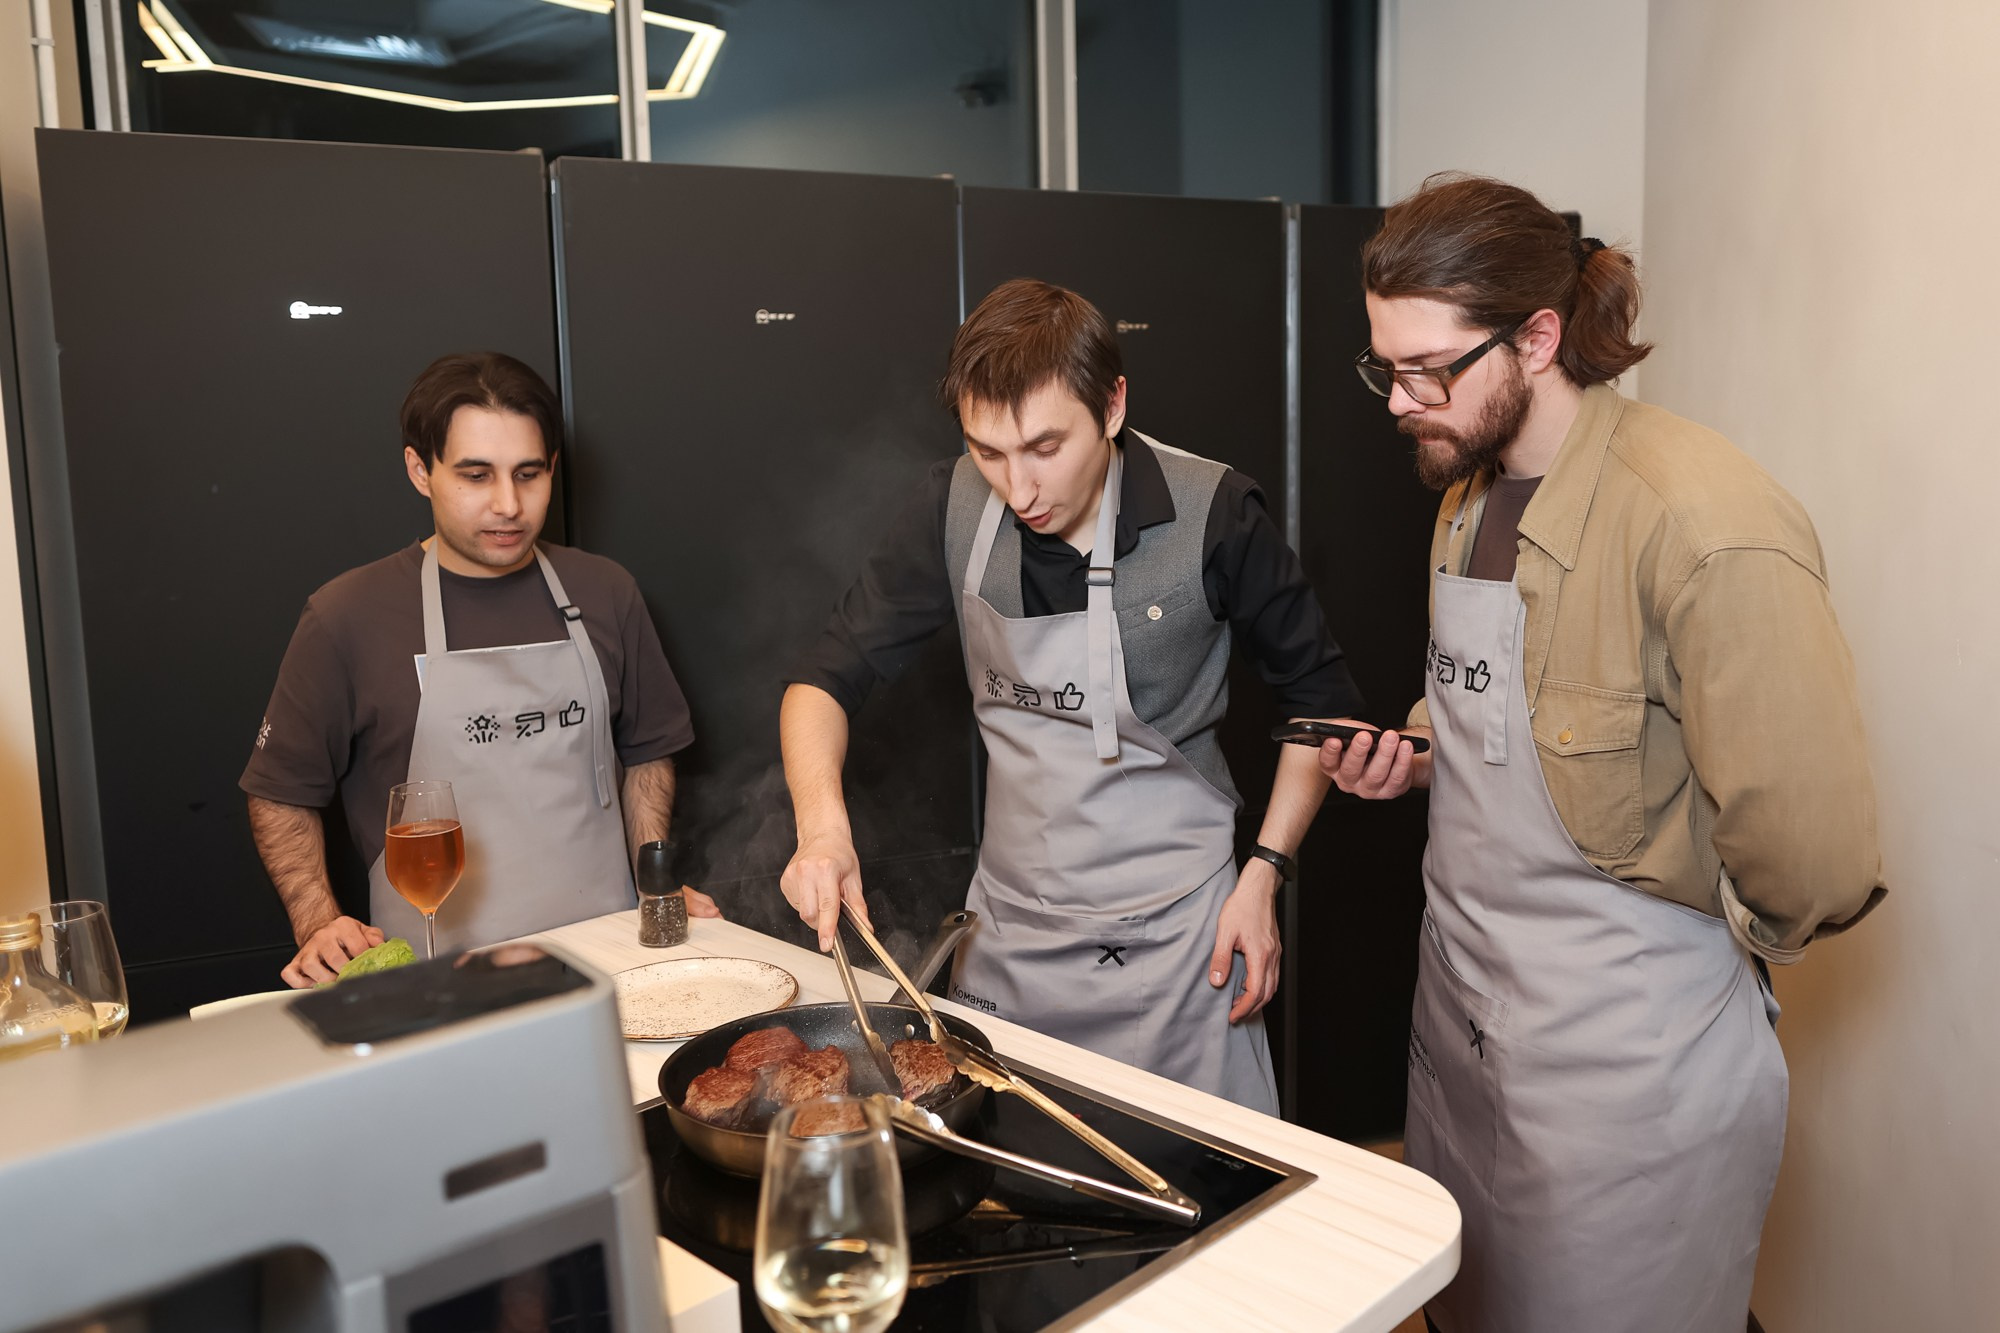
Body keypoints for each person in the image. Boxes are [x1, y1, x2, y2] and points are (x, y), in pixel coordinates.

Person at [1325, 175, 1885, 1333]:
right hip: (1463, 1036)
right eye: (1386, 366)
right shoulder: (1463, 496)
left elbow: (1813, 859)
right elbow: (1514, 708)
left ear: (1537, 337)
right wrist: (1426, 752)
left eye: (1428, 369)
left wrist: (1660, 967)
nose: (1399, 402)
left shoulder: (1700, 521)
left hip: (1622, 1081)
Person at [777, 279, 1365, 1114]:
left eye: (1045, 447)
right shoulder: (949, 508)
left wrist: (1265, 876)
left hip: (1182, 943)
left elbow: (1320, 707)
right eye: (989, 451)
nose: (1018, 490)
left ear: (1113, 405)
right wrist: (823, 831)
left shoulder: (1216, 512)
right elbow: (822, 681)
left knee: (1203, 1197)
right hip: (1014, 937)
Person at [242, 352, 716, 986]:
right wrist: (317, 919)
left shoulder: (606, 591)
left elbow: (649, 753)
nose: (508, 505)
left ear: (552, 469)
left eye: (528, 474)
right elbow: (279, 792)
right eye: (475, 475)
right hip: (437, 980)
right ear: (420, 470)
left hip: (611, 964)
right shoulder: (345, 615)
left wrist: (656, 891)